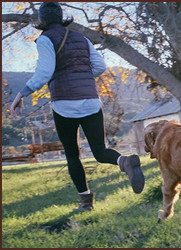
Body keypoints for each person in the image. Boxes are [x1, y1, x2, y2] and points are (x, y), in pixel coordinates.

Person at [10, 2, 145, 212]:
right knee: (100, 151)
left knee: (73, 154)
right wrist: (80, 77)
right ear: (62, 16)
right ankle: (125, 162)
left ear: (42, 20)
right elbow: (100, 67)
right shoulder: (81, 37)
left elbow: (45, 72)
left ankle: (86, 203)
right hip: (91, 100)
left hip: (65, 104)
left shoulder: (45, 39)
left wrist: (22, 93)